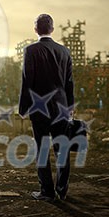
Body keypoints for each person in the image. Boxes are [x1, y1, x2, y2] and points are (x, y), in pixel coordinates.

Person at [18, 13, 74, 202]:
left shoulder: (31, 51)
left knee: (42, 150)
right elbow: (69, 83)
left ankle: (47, 192)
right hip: (61, 107)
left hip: (39, 108)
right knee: (62, 150)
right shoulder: (65, 52)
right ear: (52, 29)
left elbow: (27, 81)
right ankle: (62, 190)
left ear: (36, 29)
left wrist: (23, 108)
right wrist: (71, 107)